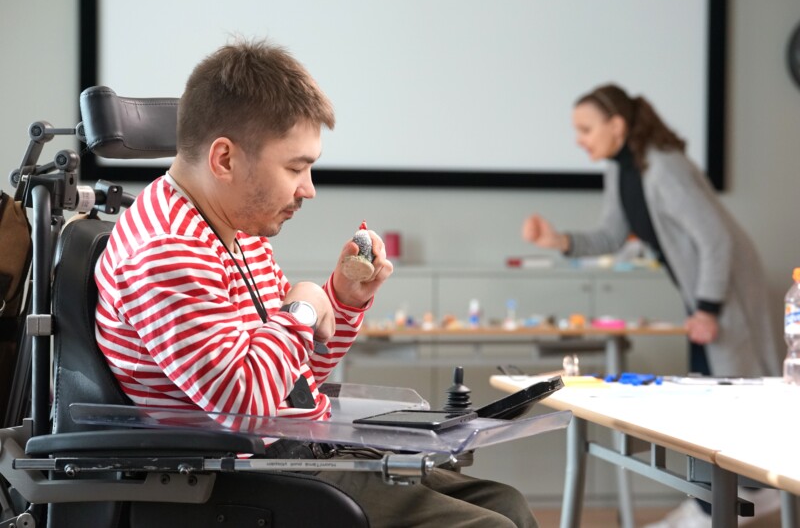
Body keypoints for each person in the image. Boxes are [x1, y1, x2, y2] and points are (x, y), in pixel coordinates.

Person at [94, 39, 537, 528]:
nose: (308, 188)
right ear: (224, 159)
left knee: (505, 504)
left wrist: (340, 301)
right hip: (240, 479)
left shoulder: (237, 233)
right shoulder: (167, 250)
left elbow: (292, 379)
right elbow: (245, 405)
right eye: (295, 167)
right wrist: (302, 309)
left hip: (299, 455)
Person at [521, 83, 782, 527]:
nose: (579, 139)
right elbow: (611, 235)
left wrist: (708, 308)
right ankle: (713, 506)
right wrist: (559, 240)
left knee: (731, 397)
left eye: (586, 129)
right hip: (704, 293)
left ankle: (741, 502)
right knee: (708, 390)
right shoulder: (621, 170)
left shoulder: (663, 166)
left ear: (617, 125)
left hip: (727, 289)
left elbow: (715, 239)